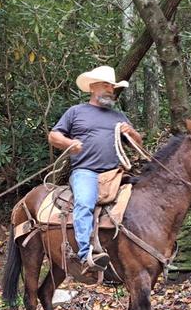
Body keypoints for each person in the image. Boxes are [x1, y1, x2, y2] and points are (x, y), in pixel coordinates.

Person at [48, 65, 143, 274]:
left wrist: (132, 132)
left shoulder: (118, 116)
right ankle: (85, 255)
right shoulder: (76, 112)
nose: (111, 89)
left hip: (115, 172)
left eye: (112, 86)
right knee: (84, 202)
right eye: (106, 85)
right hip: (86, 171)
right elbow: (53, 136)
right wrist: (68, 143)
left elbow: (138, 144)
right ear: (92, 87)